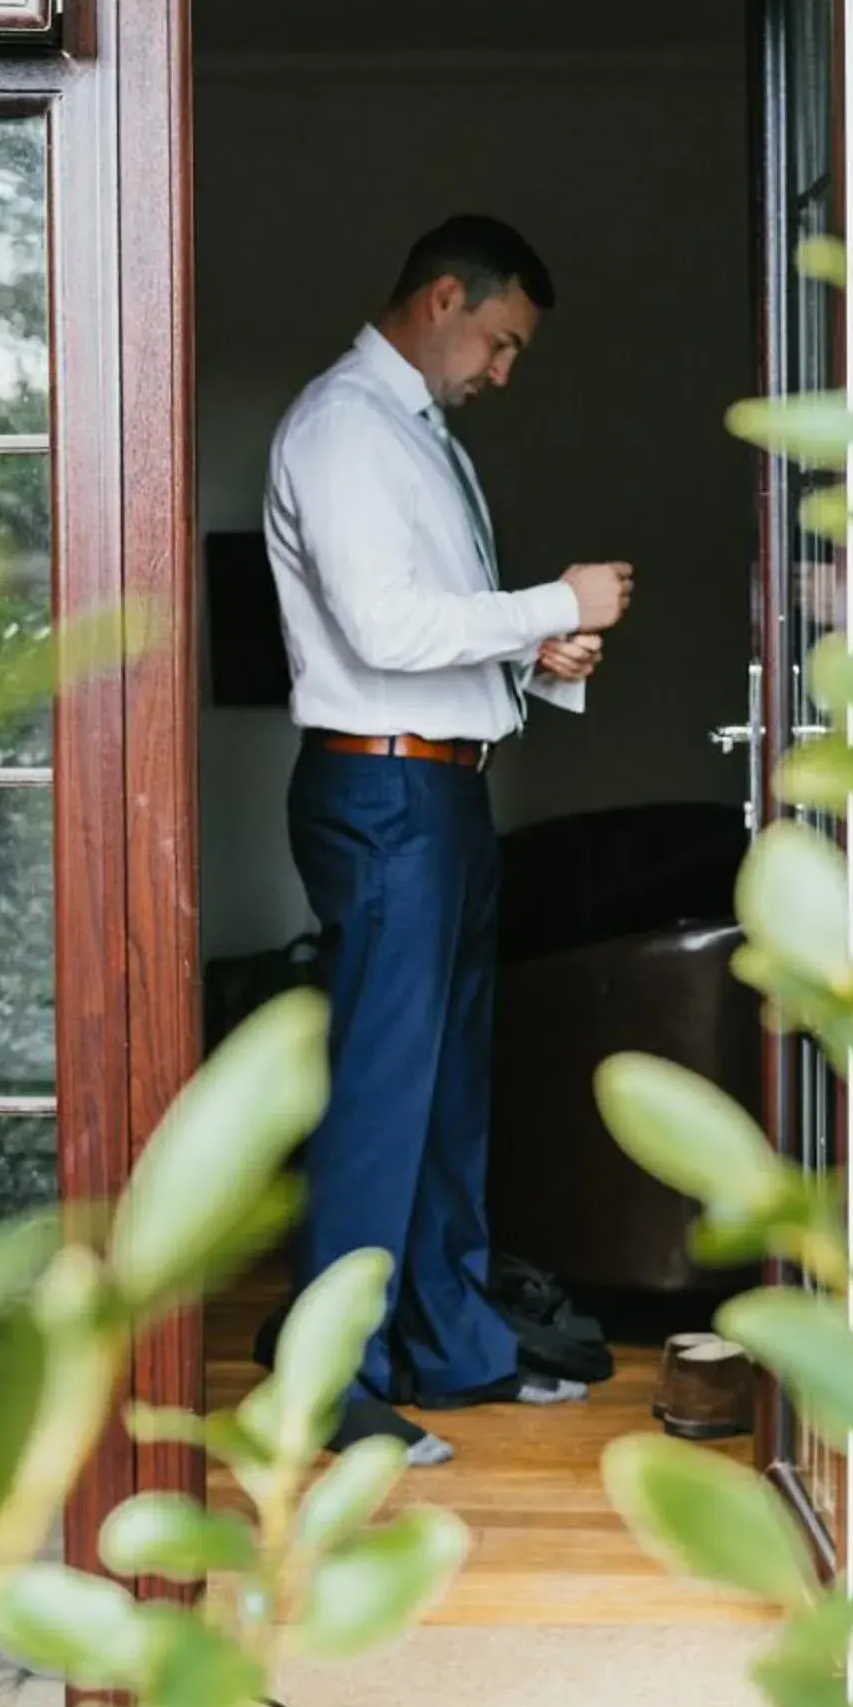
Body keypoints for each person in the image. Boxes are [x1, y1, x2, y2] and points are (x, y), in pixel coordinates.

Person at [263, 215, 634, 1465]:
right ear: (439, 298)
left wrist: (535, 649)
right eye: (499, 342)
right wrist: (554, 602)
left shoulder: (419, 439)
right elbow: (377, 629)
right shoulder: (340, 429)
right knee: (380, 1095)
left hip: (441, 792)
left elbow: (435, 623)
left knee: (445, 1098)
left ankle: (449, 1346)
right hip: (382, 797)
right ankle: (330, 1385)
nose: (501, 372)